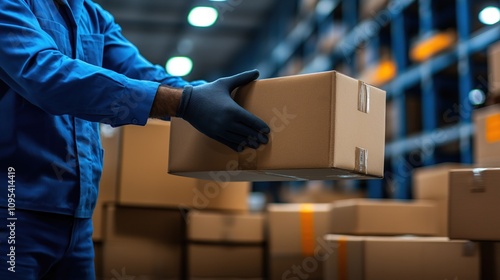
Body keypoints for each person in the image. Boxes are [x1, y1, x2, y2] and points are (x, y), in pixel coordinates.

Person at [0, 0, 270, 279]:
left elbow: (141, 72)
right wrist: (184, 103)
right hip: (13, 213)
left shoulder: (92, 15)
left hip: (78, 221)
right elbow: (46, 76)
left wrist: (202, 94)